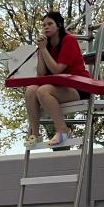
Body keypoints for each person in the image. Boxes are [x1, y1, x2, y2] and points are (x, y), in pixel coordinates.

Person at [24, 11, 92, 149]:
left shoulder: (69, 40)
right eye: (44, 25)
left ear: (59, 25)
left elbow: (57, 69)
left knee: (43, 91)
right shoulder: (46, 45)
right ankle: (35, 133)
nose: (46, 27)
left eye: (50, 24)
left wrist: (43, 49)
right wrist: (41, 51)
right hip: (60, 86)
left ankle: (63, 130)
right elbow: (41, 74)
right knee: (31, 90)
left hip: (79, 86)